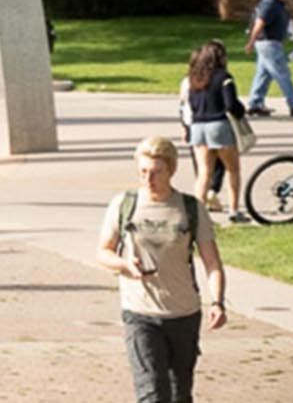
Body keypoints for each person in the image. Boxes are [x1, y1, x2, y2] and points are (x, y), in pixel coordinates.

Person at [97, 135, 227, 403]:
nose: (149, 179)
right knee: (152, 395)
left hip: (184, 314)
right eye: (143, 171)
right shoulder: (124, 204)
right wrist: (124, 265)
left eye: (156, 172)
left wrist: (218, 302)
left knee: (180, 395)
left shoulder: (190, 208)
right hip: (140, 314)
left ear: (171, 170)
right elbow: (103, 252)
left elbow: (212, 263)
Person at [179, 40, 249, 223]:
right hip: (218, 124)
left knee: (204, 173)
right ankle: (234, 210)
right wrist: (242, 111)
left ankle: (198, 214)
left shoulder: (194, 79)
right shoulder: (224, 78)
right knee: (233, 170)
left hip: (197, 127)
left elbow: (189, 104)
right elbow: (230, 104)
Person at [244, 0, 293, 117]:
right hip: (269, 44)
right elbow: (259, 23)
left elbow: (287, 26)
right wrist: (251, 42)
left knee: (263, 75)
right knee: (282, 74)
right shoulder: (270, 4)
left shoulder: (278, 4)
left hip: (269, 43)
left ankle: (255, 104)